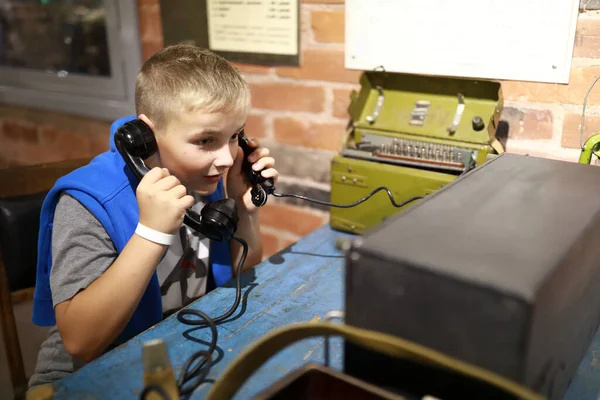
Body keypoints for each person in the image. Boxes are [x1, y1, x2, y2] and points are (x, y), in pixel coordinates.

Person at [27, 44, 279, 388]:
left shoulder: (205, 177)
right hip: (86, 376)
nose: (225, 158)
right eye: (206, 139)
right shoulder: (89, 201)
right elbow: (81, 341)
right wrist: (151, 233)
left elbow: (243, 269)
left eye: (234, 136)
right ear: (145, 135)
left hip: (181, 347)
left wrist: (242, 206)